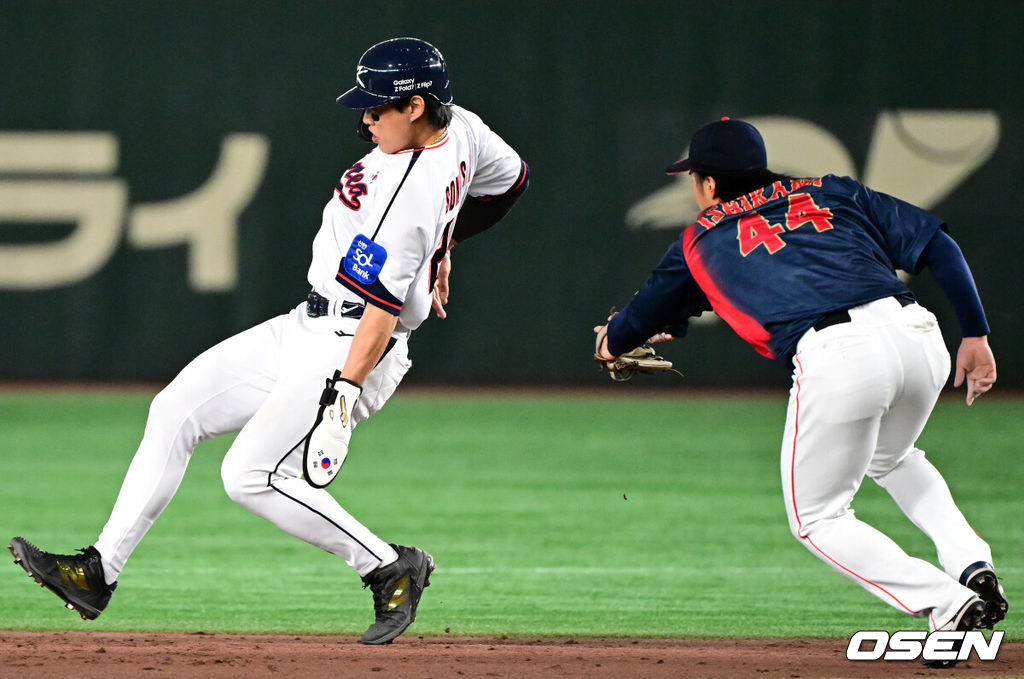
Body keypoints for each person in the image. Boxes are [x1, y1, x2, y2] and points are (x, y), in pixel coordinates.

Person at [9, 37, 529, 646]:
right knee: (175, 409)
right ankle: (98, 572)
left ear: (415, 106)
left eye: (377, 108)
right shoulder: (462, 126)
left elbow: (383, 309)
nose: (365, 118)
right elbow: (512, 180)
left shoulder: (410, 190)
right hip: (306, 323)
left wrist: (345, 391)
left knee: (248, 476)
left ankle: (389, 567)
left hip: (355, 339)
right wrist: (448, 245)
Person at [594, 117, 1005, 667]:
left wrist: (611, 342)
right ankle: (972, 563)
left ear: (709, 184)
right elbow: (938, 245)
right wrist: (975, 333)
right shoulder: (831, 190)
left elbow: (638, 319)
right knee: (894, 457)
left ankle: (946, 602)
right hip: (916, 334)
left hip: (840, 358)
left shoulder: (701, 236)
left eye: (694, 179)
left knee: (817, 518)